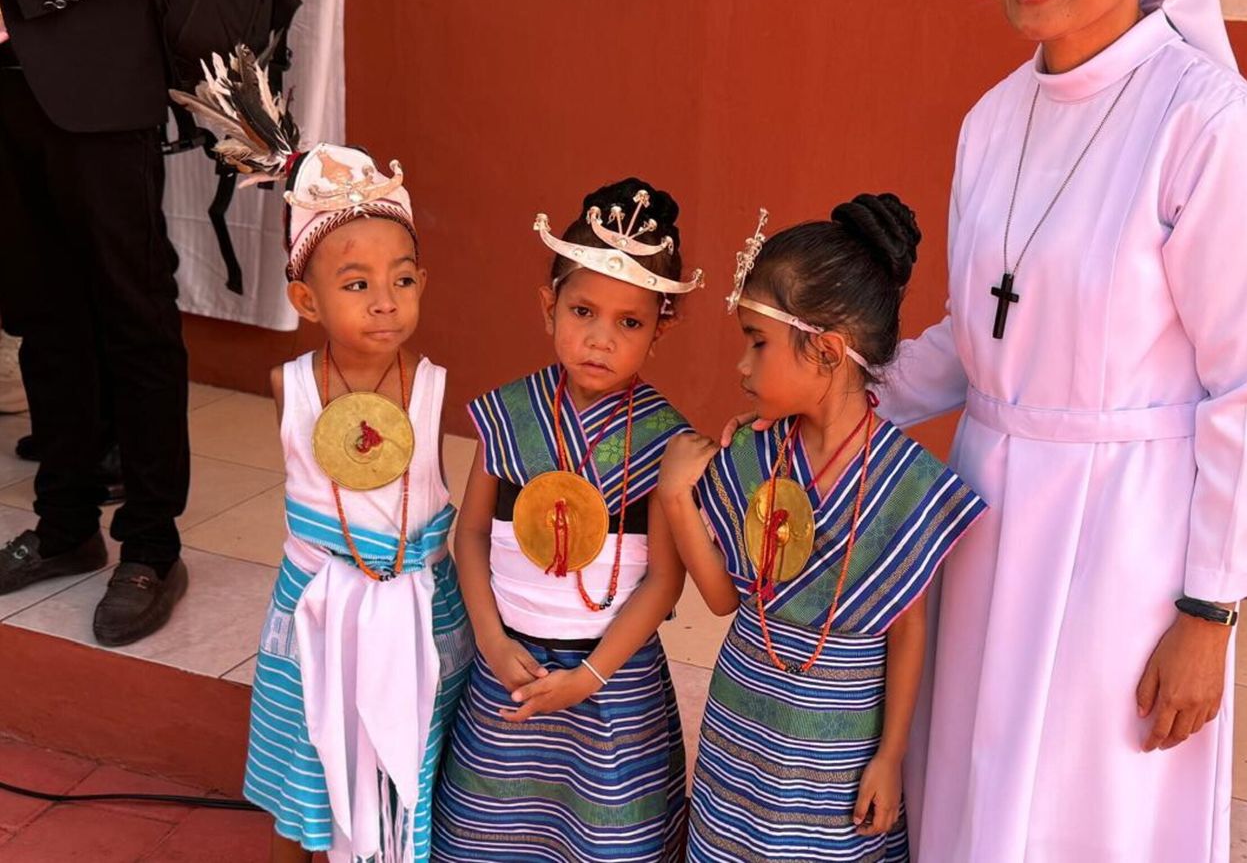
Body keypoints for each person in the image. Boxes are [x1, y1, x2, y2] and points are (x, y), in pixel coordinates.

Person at [879, 0, 1247, 860]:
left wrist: (1210, 610)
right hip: (983, 507)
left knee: (1088, 804)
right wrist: (846, 394)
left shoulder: (1212, 128)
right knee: (976, 776)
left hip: (1129, 535)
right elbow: (979, 334)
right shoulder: (991, 118)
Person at [175, 53, 474, 863]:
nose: (385, 299)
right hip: (317, 616)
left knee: (406, 771)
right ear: (305, 300)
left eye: (403, 278)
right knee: (308, 771)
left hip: (418, 616)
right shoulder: (290, 386)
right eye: (356, 283)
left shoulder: (436, 387)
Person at [661, 196, 987, 862]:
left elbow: (908, 630)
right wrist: (674, 498)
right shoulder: (754, 455)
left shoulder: (906, 485)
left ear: (829, 351)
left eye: (758, 343)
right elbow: (725, 600)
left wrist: (891, 756)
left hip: (838, 758)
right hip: (741, 730)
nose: (742, 368)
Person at [430, 179, 703, 862]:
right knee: (489, 826)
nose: (600, 340)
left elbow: (664, 582)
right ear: (546, 305)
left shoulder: (663, 442)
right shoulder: (509, 414)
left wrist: (592, 677)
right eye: (582, 310)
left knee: (609, 833)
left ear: (660, 329)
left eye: (629, 322)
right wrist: (490, 642)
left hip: (613, 683)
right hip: (510, 665)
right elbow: (468, 534)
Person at [0, 0, 192, 644]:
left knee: (132, 313)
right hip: (3, 90)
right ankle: (66, 524)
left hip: (96, 80)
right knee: (42, 315)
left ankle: (151, 546)